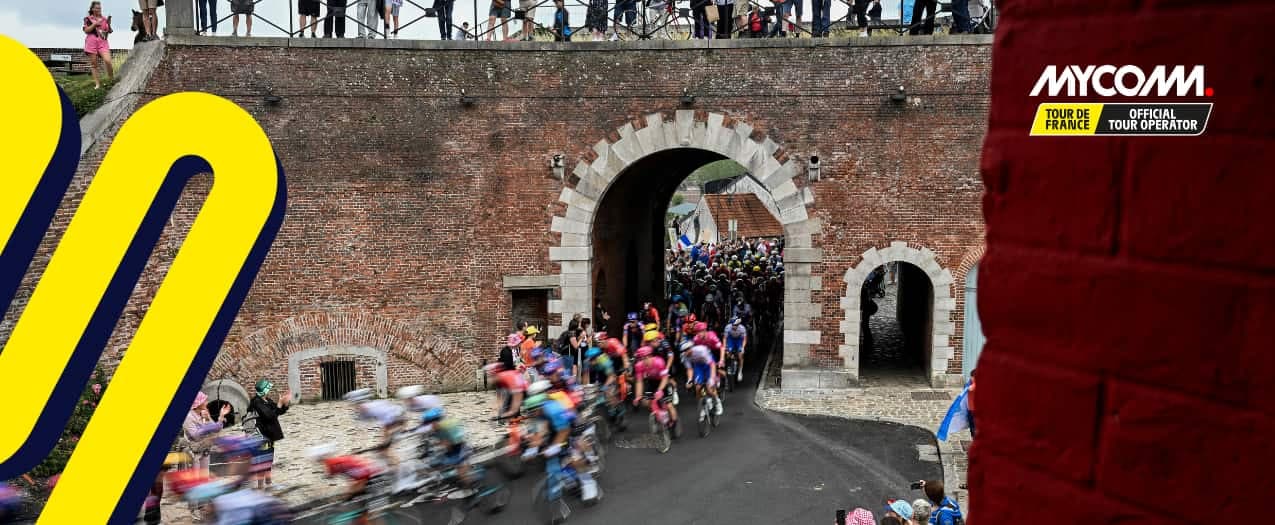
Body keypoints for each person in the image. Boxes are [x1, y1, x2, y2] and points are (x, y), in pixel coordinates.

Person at [520, 392, 600, 501]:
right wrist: (531, 450)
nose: (530, 414)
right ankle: (569, 476)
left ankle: (589, 482)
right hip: (555, 430)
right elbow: (537, 435)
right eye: (529, 412)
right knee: (555, 458)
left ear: (540, 407)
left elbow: (564, 431)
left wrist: (554, 446)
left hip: (571, 427)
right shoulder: (535, 416)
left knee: (575, 457)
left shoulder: (553, 410)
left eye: (532, 411)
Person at [247, 379, 291, 490]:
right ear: (263, 390)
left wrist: (285, 403)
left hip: (269, 435)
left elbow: (278, 411)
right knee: (263, 459)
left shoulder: (266, 400)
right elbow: (269, 416)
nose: (269, 390)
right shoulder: (256, 402)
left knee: (269, 458)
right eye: (267, 389)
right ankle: (261, 486)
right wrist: (279, 404)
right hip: (261, 436)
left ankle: (268, 482)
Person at [183, 391, 232, 475]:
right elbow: (196, 436)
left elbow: (217, 429)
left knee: (204, 478)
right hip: (194, 454)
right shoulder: (188, 417)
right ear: (198, 403)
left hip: (205, 451)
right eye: (204, 400)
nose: (207, 402)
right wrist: (208, 427)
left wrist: (221, 416)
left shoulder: (204, 414)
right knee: (195, 480)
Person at [83, 3, 114, 90]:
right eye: (97, 8)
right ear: (92, 9)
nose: (99, 10)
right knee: (94, 64)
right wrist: (94, 24)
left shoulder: (104, 19)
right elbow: (86, 30)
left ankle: (111, 80)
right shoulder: (88, 19)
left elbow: (108, 31)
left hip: (103, 42)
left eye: (100, 8)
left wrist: (109, 23)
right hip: (91, 42)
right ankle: (97, 84)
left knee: (108, 61)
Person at [723, 317, 747, 381]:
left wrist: (742, 347)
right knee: (728, 353)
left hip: (739, 339)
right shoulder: (727, 327)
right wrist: (725, 347)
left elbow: (744, 339)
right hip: (731, 339)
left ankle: (740, 371)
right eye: (733, 325)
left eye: (736, 325)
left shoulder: (742, 328)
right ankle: (728, 366)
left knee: (740, 355)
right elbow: (725, 338)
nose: (734, 327)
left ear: (738, 325)